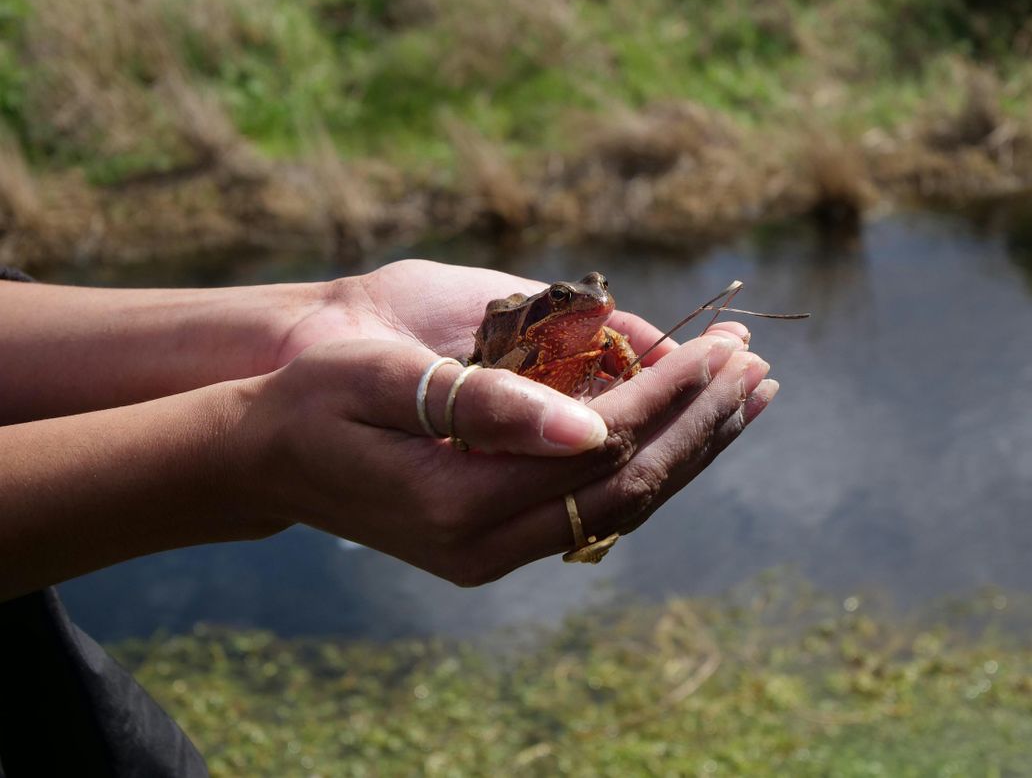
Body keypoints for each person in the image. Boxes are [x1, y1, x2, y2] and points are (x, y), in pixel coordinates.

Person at [0, 259, 776, 776]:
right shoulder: (534, 331)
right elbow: (496, 376)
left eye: (591, 295)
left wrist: (319, 314)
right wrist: (244, 455)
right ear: (550, 312)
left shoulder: (594, 328)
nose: (591, 309)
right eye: (570, 301)